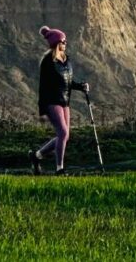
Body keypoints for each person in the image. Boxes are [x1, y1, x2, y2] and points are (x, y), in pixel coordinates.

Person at [29, 26, 89, 175]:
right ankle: (59, 168)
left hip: (65, 102)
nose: (65, 43)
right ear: (57, 43)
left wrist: (81, 86)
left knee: (65, 136)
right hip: (52, 102)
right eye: (63, 41)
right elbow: (42, 87)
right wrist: (42, 110)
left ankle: (37, 156)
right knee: (62, 133)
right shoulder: (48, 62)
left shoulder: (66, 61)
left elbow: (67, 82)